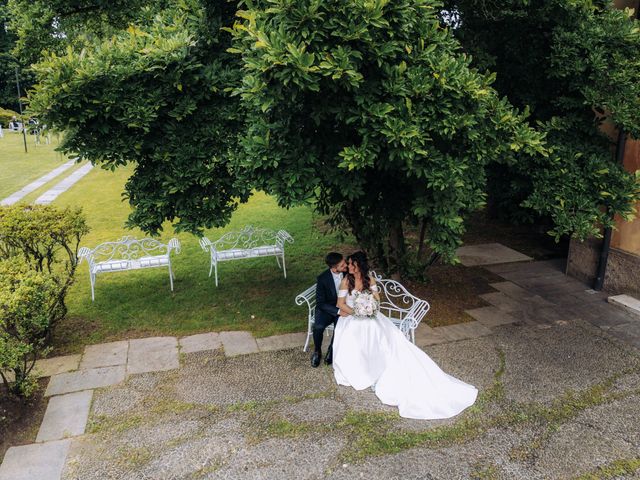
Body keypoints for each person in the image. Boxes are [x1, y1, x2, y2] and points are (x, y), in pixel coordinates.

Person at [333, 251, 478, 420]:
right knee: (361, 331)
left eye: (351, 264)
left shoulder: (369, 280)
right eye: (348, 264)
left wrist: (369, 308)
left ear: (359, 265)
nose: (349, 266)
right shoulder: (346, 281)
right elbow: (340, 304)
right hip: (352, 318)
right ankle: (364, 368)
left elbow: (377, 300)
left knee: (380, 332)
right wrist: (356, 312)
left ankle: (379, 365)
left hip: (370, 316)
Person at [312, 252, 348, 368]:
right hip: (327, 309)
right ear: (334, 267)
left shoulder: (348, 273)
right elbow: (321, 303)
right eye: (342, 265)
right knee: (318, 327)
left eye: (344, 263)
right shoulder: (322, 278)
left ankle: (332, 350)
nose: (345, 266)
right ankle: (317, 351)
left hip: (343, 306)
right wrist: (338, 311)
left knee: (339, 328)